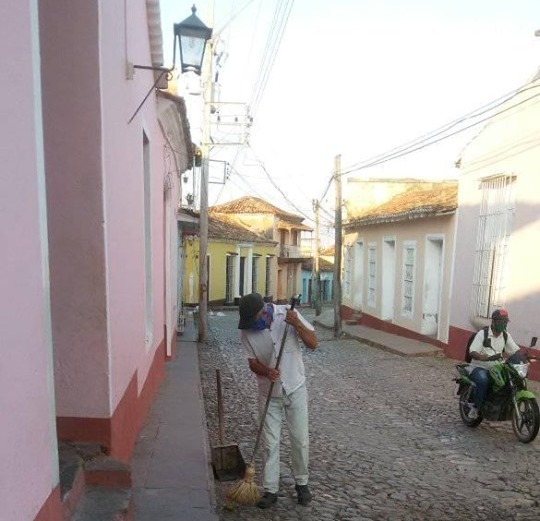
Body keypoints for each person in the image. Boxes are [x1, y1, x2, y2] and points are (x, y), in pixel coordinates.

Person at [238, 292, 318, 509]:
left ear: (264, 312)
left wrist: (298, 325)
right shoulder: (246, 331)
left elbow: (313, 343)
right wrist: (267, 371)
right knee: (270, 443)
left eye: (254, 321)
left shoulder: (288, 315)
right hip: (268, 393)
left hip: (295, 387)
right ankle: (270, 490)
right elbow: (252, 363)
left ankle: (302, 484)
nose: (252, 327)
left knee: (300, 440)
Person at [468, 309, 521, 415]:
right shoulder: (482, 334)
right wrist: (481, 357)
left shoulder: (506, 335)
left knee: (511, 380)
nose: (504, 324)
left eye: (505, 322)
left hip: (497, 368)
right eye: (501, 321)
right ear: (493, 321)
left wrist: (524, 357)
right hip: (480, 367)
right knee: (483, 380)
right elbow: (472, 351)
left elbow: (515, 351)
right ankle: (476, 407)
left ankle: (500, 404)